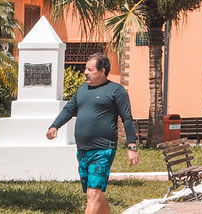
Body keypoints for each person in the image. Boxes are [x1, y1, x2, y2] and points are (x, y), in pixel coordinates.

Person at [46, 54, 138, 214]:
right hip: (83, 150)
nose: (85, 72)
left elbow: (127, 119)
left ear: (102, 70)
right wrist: (55, 126)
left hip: (103, 149)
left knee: (93, 194)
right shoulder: (82, 89)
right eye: (85, 69)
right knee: (96, 194)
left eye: (90, 69)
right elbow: (69, 109)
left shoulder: (116, 90)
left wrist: (132, 147)